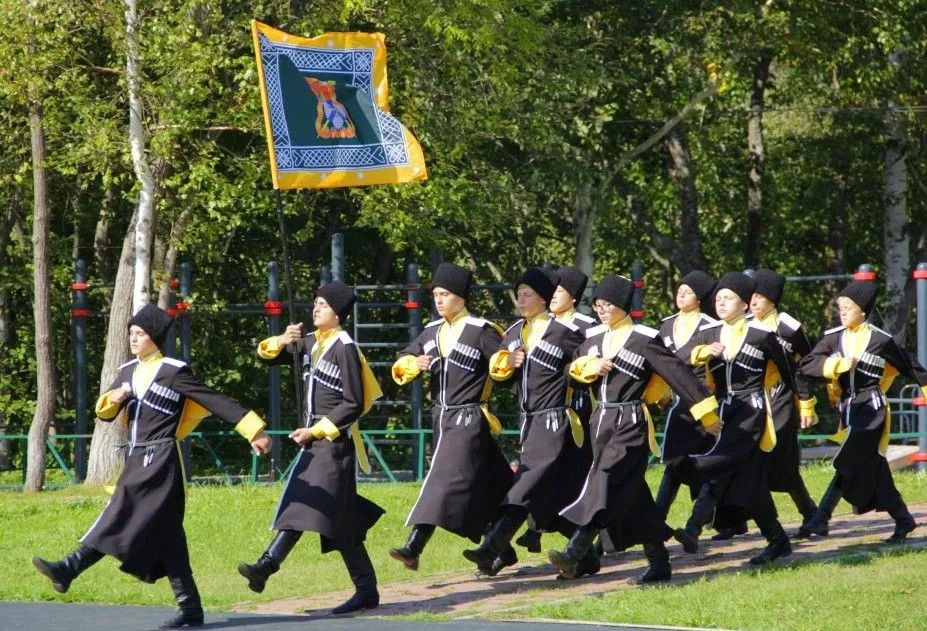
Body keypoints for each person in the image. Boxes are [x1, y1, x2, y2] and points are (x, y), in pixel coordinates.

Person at [32, 303, 271, 630]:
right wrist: (113, 400)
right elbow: (105, 415)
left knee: (120, 512)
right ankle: (191, 609)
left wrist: (253, 430)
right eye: (131, 332)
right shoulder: (127, 370)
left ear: (155, 337)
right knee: (170, 537)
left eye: (140, 333)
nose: (133, 338)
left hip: (160, 461)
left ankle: (68, 568)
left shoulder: (173, 370)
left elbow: (214, 399)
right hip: (136, 458)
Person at [550, 275, 721, 583]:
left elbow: (678, 374)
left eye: (608, 305)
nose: (601, 310)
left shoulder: (643, 338)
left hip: (630, 424)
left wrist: (707, 415)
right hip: (599, 423)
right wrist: (588, 367)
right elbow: (570, 373)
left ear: (623, 305)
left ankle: (574, 552)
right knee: (635, 496)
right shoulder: (592, 338)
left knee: (604, 481)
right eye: (598, 304)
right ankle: (659, 562)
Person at [238, 281, 385, 615]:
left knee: (305, 503)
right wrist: (281, 339)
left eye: (322, 304)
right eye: (315, 302)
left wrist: (317, 431)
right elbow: (266, 356)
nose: (315, 308)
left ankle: (265, 566)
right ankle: (367, 589)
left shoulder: (345, 347)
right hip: (314, 440)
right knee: (341, 521)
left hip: (332, 444)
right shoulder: (309, 343)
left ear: (338, 313)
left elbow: (353, 403)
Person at [677, 272, 814, 565]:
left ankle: (693, 527)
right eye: (718, 299)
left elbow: (792, 372)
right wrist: (701, 352)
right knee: (748, 478)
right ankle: (778, 540)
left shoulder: (762, 336)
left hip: (751, 409)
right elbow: (677, 358)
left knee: (720, 461)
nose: (721, 303)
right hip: (723, 407)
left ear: (745, 305)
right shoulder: (709, 333)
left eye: (729, 298)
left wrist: (806, 404)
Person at [389, 262, 513, 570]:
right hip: (441, 420)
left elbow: (504, 370)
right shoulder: (431, 331)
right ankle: (501, 549)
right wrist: (411, 363)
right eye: (436, 294)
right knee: (488, 487)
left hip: (469, 419)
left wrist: (510, 362)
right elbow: (402, 358)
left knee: (442, 482)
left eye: (445, 294)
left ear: (461, 296)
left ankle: (414, 546)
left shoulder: (481, 331)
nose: (438, 300)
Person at [462, 268, 585, 576]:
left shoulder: (564, 333)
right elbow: (501, 380)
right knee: (546, 503)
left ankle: (491, 548)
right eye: (518, 294)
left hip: (555, 421)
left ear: (544, 299)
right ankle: (586, 558)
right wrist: (506, 366)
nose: (520, 299)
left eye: (527, 294)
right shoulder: (514, 332)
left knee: (524, 484)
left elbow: (583, 368)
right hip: (528, 423)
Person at [797, 280, 924, 543]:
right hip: (849, 409)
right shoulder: (834, 337)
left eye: (848, 308)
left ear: (863, 312)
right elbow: (807, 365)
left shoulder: (881, 340)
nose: (842, 312)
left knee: (848, 459)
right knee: (873, 467)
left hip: (872, 407)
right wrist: (837, 364)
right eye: (840, 308)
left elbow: (915, 369)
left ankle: (821, 517)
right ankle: (903, 519)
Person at [711, 269, 819, 540]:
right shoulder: (741, 324)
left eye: (760, 296)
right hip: (748, 398)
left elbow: (805, 364)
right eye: (752, 297)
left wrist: (805, 402)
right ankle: (734, 520)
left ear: (772, 299)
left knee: (777, 456)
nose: (755, 301)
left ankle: (810, 514)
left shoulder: (788, 327)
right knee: (742, 457)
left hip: (780, 395)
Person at [515, 266, 595, 554]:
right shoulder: (531, 328)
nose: (554, 297)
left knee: (571, 475)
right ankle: (537, 529)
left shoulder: (583, 326)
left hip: (577, 409)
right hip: (541, 412)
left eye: (560, 292)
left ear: (572, 298)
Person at [654, 270, 719, 521]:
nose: (681, 294)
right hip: (679, 400)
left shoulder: (710, 326)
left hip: (704, 396)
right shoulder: (667, 324)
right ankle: (659, 520)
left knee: (702, 459)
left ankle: (704, 518)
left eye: (688, 291)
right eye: (679, 289)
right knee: (675, 460)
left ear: (700, 297)